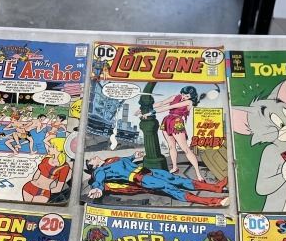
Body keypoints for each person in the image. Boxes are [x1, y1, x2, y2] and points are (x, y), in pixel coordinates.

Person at [86, 153, 228, 207]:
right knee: (171, 189)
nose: (93, 158)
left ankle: (216, 188)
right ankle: (213, 201)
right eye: (91, 160)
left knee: (178, 180)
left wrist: (134, 155)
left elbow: (125, 160)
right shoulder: (100, 171)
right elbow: (99, 181)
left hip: (149, 171)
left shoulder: (111, 159)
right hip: (141, 178)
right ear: (94, 166)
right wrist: (97, 188)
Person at [148, 85, 205, 178]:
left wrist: (150, 112)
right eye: (183, 94)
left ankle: (198, 174)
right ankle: (175, 167)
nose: (184, 97)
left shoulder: (189, 102)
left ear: (191, 96)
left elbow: (171, 106)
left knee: (186, 149)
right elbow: (162, 103)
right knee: (171, 146)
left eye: (187, 96)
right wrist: (145, 107)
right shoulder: (175, 97)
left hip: (177, 122)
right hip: (167, 121)